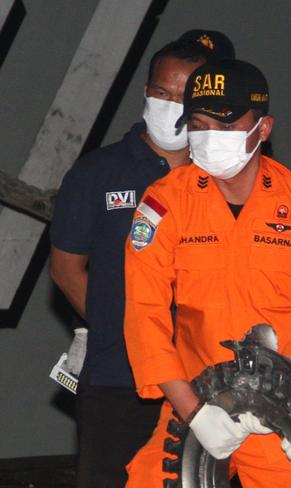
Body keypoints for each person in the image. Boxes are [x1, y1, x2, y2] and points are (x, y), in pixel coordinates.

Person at [123, 59, 291, 487]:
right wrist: (193, 411)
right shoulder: (164, 203)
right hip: (194, 402)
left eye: (226, 125)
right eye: (200, 123)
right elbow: (143, 314)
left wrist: (280, 408)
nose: (211, 136)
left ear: (263, 128)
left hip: (278, 410)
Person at [49, 30, 235, 487]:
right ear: (146, 92)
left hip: (210, 378)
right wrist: (123, 328)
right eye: (160, 92)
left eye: (184, 96)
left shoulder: (226, 173)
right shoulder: (98, 171)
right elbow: (66, 268)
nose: (169, 104)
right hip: (120, 376)